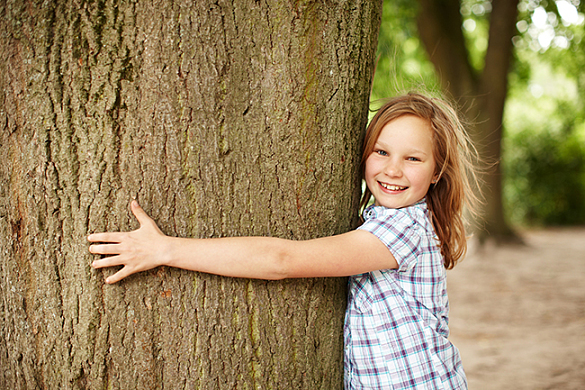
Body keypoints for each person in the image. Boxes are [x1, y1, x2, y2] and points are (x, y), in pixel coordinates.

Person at [88, 92, 480, 389]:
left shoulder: (402, 230)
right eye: (381, 151)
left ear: (436, 172)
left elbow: (281, 260)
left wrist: (166, 249)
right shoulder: (387, 222)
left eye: (413, 159)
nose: (392, 169)